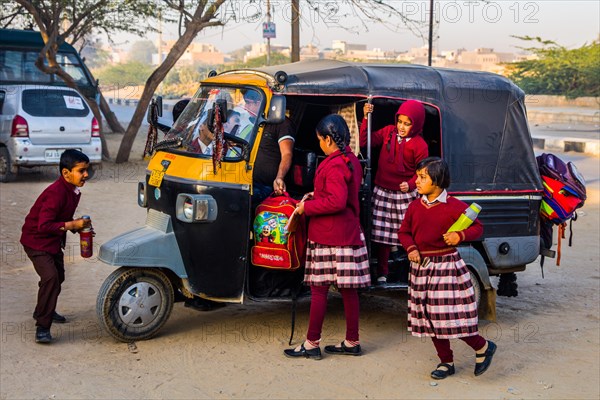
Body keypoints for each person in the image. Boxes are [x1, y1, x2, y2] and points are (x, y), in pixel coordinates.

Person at [398, 157, 497, 379]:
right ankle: (446, 362)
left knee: (448, 316)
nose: (417, 181)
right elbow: (403, 232)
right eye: (417, 176)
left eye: (423, 177)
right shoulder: (414, 206)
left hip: (446, 267)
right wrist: (411, 248)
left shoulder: (455, 206)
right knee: (431, 318)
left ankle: (482, 346)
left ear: (438, 181)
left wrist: (459, 235)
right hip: (421, 268)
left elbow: (478, 228)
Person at [284, 114, 371, 360]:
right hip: (348, 233)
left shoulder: (333, 164)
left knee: (319, 290)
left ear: (328, 139)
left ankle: (312, 344)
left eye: (320, 140)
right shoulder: (350, 159)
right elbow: (336, 193)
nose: (319, 144)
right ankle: (352, 341)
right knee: (348, 291)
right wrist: (316, 193)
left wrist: (305, 208)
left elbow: (337, 201)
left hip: (328, 235)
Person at [20, 149, 92, 344]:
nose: (86, 174)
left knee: (58, 277)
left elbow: (62, 218)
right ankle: (42, 327)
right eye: (81, 170)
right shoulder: (55, 193)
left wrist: (79, 228)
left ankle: (44, 309)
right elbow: (43, 225)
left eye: (87, 170)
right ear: (66, 173)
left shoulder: (73, 191)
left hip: (52, 241)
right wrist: (71, 225)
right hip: (36, 241)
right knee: (50, 278)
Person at [360, 100, 429, 284]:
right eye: (400, 121)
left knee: (407, 233)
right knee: (383, 234)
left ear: (416, 125)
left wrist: (412, 184)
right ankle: (383, 272)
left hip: (404, 194)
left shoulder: (420, 145)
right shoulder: (388, 132)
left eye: (407, 124)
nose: (401, 127)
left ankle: (414, 271)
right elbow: (364, 142)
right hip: (382, 190)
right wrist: (366, 117)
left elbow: (422, 172)